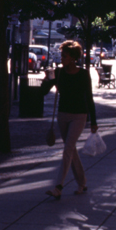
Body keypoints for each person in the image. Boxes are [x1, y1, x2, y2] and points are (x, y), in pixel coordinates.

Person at [40, 39, 98, 199]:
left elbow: (89, 97)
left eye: (64, 56)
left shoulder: (83, 74)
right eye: (61, 56)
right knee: (70, 149)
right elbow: (43, 91)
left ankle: (58, 186)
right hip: (63, 115)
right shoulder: (59, 73)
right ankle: (82, 182)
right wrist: (47, 79)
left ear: (73, 57)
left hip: (79, 115)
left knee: (67, 149)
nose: (61, 59)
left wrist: (93, 121)